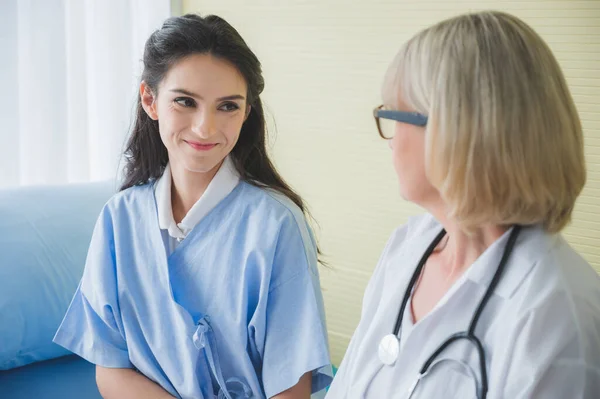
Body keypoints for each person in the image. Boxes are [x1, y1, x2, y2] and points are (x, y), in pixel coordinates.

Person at [54, 13, 332, 399]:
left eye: (228, 107)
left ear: (246, 112)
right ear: (150, 100)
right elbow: (111, 369)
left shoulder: (276, 224)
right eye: (185, 101)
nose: (205, 128)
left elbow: (292, 388)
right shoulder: (119, 218)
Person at [326, 10, 600, 399]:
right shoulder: (408, 246)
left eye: (392, 113)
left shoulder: (558, 315)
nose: (389, 139)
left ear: (456, 131)